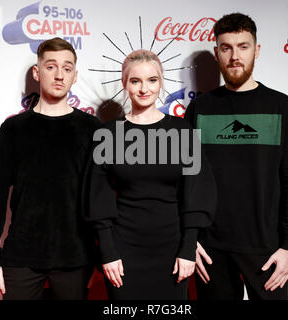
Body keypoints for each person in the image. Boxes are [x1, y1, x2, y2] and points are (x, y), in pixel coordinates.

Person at [184, 13, 288, 300]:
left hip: (267, 250)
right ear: (217, 53)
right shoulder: (200, 109)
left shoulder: (283, 107)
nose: (235, 56)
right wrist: (189, 238)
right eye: (226, 47)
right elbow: (187, 179)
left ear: (257, 50)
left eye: (243, 46)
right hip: (211, 249)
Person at [84, 50, 217, 300]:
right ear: (125, 84)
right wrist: (108, 252)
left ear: (161, 81)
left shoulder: (182, 131)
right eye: (135, 81)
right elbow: (97, 197)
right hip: (122, 251)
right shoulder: (108, 134)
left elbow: (197, 193)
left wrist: (188, 248)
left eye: (152, 80)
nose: (144, 88)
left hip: (172, 250)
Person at [0, 37, 100, 300]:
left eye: (67, 68)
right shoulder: (13, 130)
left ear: (75, 75)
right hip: (21, 256)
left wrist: (99, 259)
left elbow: (99, 199)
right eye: (51, 67)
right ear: (37, 72)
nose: (59, 75)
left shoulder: (92, 129)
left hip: (76, 257)